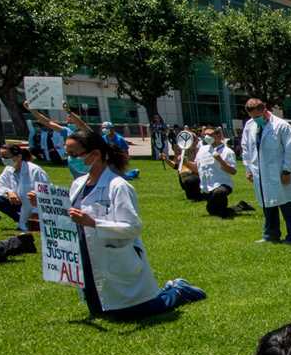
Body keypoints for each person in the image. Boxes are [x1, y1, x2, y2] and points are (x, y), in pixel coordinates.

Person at [65, 128, 206, 319]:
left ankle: (179, 290)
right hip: (89, 256)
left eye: (74, 154)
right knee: (100, 312)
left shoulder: (118, 186)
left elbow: (133, 227)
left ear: (95, 154)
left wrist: (93, 223)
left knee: (133, 311)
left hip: (117, 257)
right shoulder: (78, 184)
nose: (70, 159)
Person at [241, 99, 291, 244]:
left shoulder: (281, 125)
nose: (255, 120)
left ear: (264, 110)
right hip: (260, 172)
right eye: (252, 117)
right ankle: (270, 235)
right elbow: (246, 149)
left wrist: (287, 171)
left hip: (279, 171)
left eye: (257, 116)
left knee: (288, 204)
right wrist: (248, 169)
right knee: (267, 203)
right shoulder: (250, 125)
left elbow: (290, 149)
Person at [0, 143, 48, 232]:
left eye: (6, 157)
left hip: (35, 205)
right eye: (1, 156)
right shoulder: (8, 168)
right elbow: (0, 185)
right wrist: (9, 192)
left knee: (32, 223)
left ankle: (31, 220)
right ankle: (20, 219)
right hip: (18, 202)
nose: (3, 160)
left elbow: (46, 191)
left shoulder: (35, 171)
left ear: (19, 157)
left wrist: (36, 209)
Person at [195, 128, 238, 217]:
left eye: (210, 135)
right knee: (215, 211)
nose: (207, 137)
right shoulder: (202, 150)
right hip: (206, 187)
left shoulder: (227, 152)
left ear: (218, 136)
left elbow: (233, 171)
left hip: (221, 184)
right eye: (205, 135)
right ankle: (236, 207)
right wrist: (185, 162)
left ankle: (216, 207)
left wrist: (220, 161)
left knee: (218, 194)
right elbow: (196, 168)